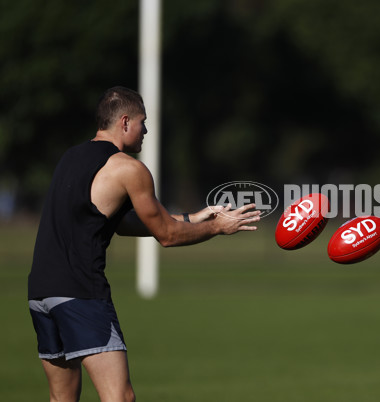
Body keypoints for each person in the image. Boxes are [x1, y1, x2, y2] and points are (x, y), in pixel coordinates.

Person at [28, 86, 260, 402]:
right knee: (119, 397)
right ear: (125, 122)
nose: (146, 131)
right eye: (142, 122)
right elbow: (167, 235)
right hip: (80, 292)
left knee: (61, 398)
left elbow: (122, 223)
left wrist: (196, 216)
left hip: (41, 292)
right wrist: (218, 227)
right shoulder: (129, 168)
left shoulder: (71, 157)